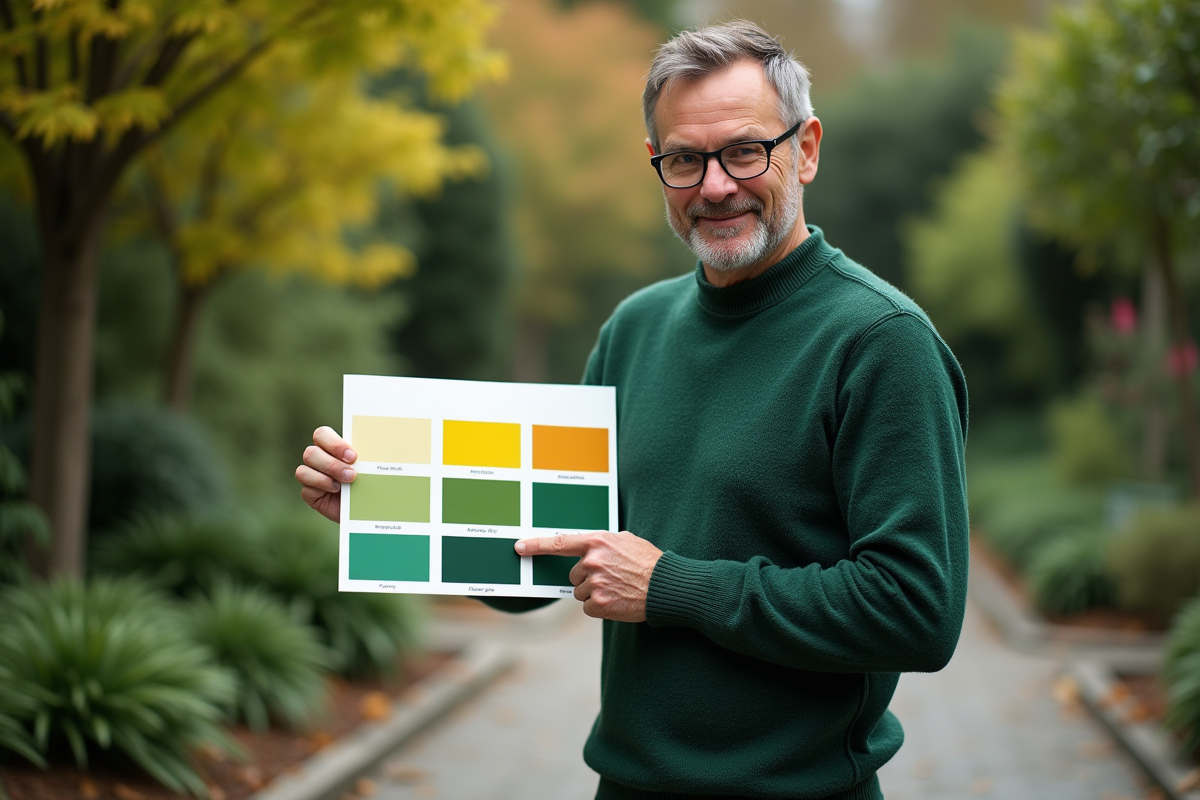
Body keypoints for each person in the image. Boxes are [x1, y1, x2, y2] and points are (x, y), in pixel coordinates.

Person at [296, 20, 968, 800]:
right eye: (684, 159)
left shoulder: (882, 342)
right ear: (657, 164)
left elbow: (916, 610)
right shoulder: (635, 329)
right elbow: (548, 554)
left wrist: (673, 586)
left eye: (744, 151)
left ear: (807, 149)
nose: (714, 186)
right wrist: (383, 503)